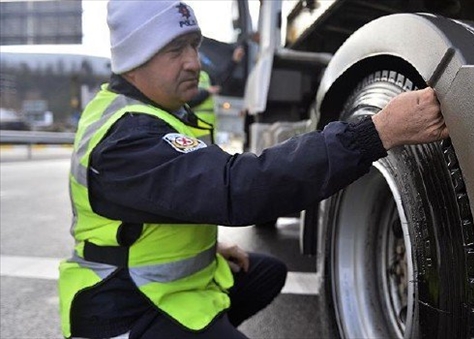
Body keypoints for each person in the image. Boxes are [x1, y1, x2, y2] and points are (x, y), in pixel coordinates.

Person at [57, 1, 449, 339]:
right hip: (123, 309)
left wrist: (208, 247)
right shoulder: (128, 135)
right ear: (134, 58)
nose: (194, 61)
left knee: (267, 272)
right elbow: (238, 188)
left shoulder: (158, 110)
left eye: (193, 45)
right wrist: (374, 134)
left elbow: (170, 199)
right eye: (175, 49)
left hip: (159, 288)